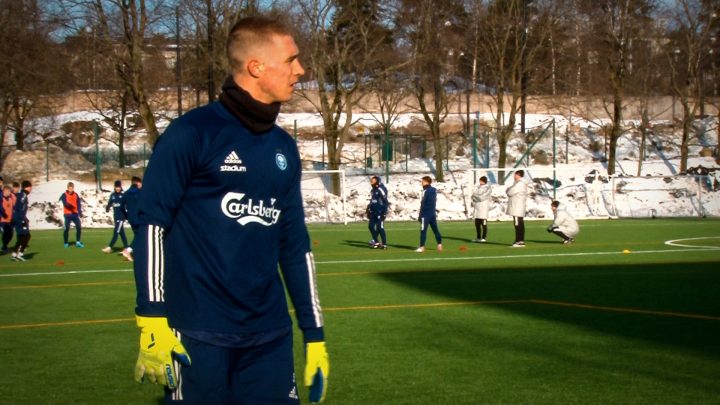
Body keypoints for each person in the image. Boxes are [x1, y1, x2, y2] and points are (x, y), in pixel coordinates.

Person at [131, 16, 328, 405]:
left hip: (269, 337)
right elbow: (151, 224)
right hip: (200, 333)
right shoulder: (192, 133)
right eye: (291, 60)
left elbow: (295, 246)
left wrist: (314, 332)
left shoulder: (284, 148)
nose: (300, 70)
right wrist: (151, 316)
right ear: (256, 67)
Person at [416, 176, 442, 253]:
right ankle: (439, 244)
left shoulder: (425, 191)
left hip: (425, 214)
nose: (421, 183)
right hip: (432, 213)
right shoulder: (434, 190)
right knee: (435, 230)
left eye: (422, 181)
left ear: (426, 181)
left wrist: (420, 215)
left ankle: (422, 247)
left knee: (423, 230)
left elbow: (423, 204)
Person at [102, 180, 129, 254]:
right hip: (116, 217)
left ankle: (109, 247)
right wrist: (107, 207)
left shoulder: (123, 195)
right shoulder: (113, 195)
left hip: (121, 217)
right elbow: (110, 203)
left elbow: (127, 204)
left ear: (121, 187)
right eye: (116, 187)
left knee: (116, 232)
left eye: (119, 187)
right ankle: (127, 248)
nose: (117, 188)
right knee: (121, 233)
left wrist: (126, 215)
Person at [120, 176, 142, 261]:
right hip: (140, 218)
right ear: (138, 183)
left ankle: (133, 254)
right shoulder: (140, 192)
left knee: (137, 236)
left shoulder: (126, 193)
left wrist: (126, 215)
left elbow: (121, 207)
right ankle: (128, 250)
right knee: (140, 236)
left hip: (131, 218)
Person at [506, 170, 528, 247]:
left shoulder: (519, 184)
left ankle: (519, 241)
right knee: (520, 223)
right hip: (519, 206)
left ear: (518, 175)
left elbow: (510, 192)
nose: (514, 176)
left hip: (516, 206)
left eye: (515, 175)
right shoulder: (521, 183)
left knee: (517, 224)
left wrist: (508, 190)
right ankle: (520, 240)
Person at [11, 180, 32, 261]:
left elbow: (17, 207)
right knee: (26, 236)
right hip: (20, 219)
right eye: (30, 188)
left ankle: (14, 254)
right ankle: (20, 253)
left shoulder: (22, 195)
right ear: (26, 187)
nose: (31, 189)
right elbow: (20, 208)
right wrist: (23, 219)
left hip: (18, 218)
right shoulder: (23, 196)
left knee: (21, 237)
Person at [59, 182, 84, 248]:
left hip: (75, 214)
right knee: (66, 228)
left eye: (72, 188)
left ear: (73, 188)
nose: (70, 189)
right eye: (69, 188)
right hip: (67, 214)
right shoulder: (64, 195)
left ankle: (78, 242)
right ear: (67, 188)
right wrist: (71, 207)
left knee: (79, 227)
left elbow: (78, 204)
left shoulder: (76, 195)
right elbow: (65, 204)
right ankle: (66, 243)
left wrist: (80, 211)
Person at [367, 175, 388, 249]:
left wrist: (384, 213)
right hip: (373, 212)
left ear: (377, 182)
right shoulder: (373, 190)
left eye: (373, 181)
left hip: (380, 212)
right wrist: (369, 209)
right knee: (370, 226)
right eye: (371, 181)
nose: (371, 183)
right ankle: (376, 241)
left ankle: (384, 244)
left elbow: (385, 202)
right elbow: (372, 201)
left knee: (380, 228)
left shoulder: (380, 189)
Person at [471, 176, 492, 243]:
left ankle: (484, 237)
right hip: (477, 207)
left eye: (480, 181)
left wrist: (476, 197)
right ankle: (478, 237)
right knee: (477, 223)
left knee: (483, 223)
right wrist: (475, 197)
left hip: (483, 207)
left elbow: (481, 197)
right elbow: (473, 196)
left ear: (483, 181)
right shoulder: (478, 187)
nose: (480, 182)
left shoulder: (487, 188)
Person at [1, 185, 16, 253]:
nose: (9, 192)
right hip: (2, 220)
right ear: (4, 191)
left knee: (10, 234)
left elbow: (14, 207)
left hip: (10, 219)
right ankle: (4, 247)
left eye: (9, 191)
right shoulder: (1, 198)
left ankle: (4, 246)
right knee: (5, 233)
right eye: (8, 191)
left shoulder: (11, 198)